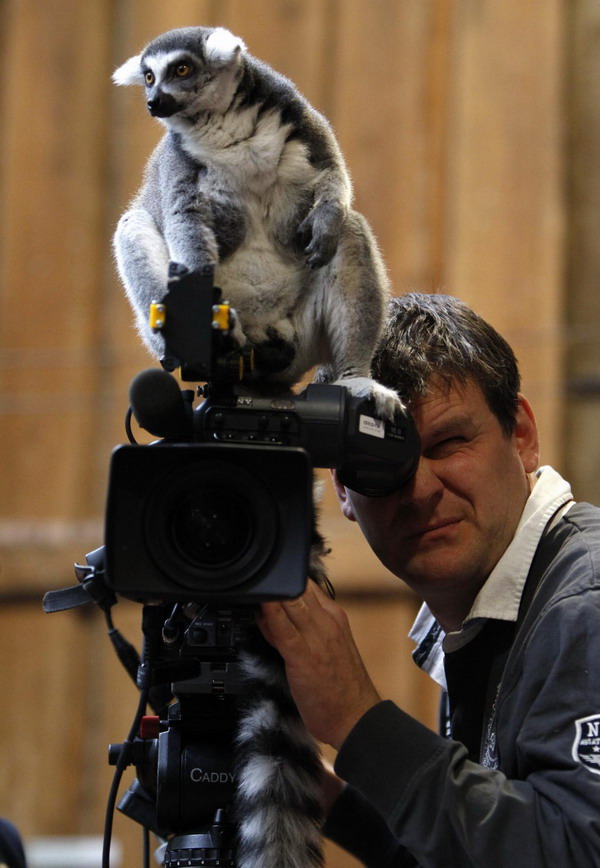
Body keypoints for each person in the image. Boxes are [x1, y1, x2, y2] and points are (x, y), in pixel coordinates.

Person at [257, 293, 600, 867]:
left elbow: (577, 852)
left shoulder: (583, 607)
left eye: (448, 444)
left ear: (520, 435)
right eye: (379, 464)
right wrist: (312, 788)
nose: (419, 488)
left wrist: (358, 721)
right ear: (343, 491)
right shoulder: (490, 610)